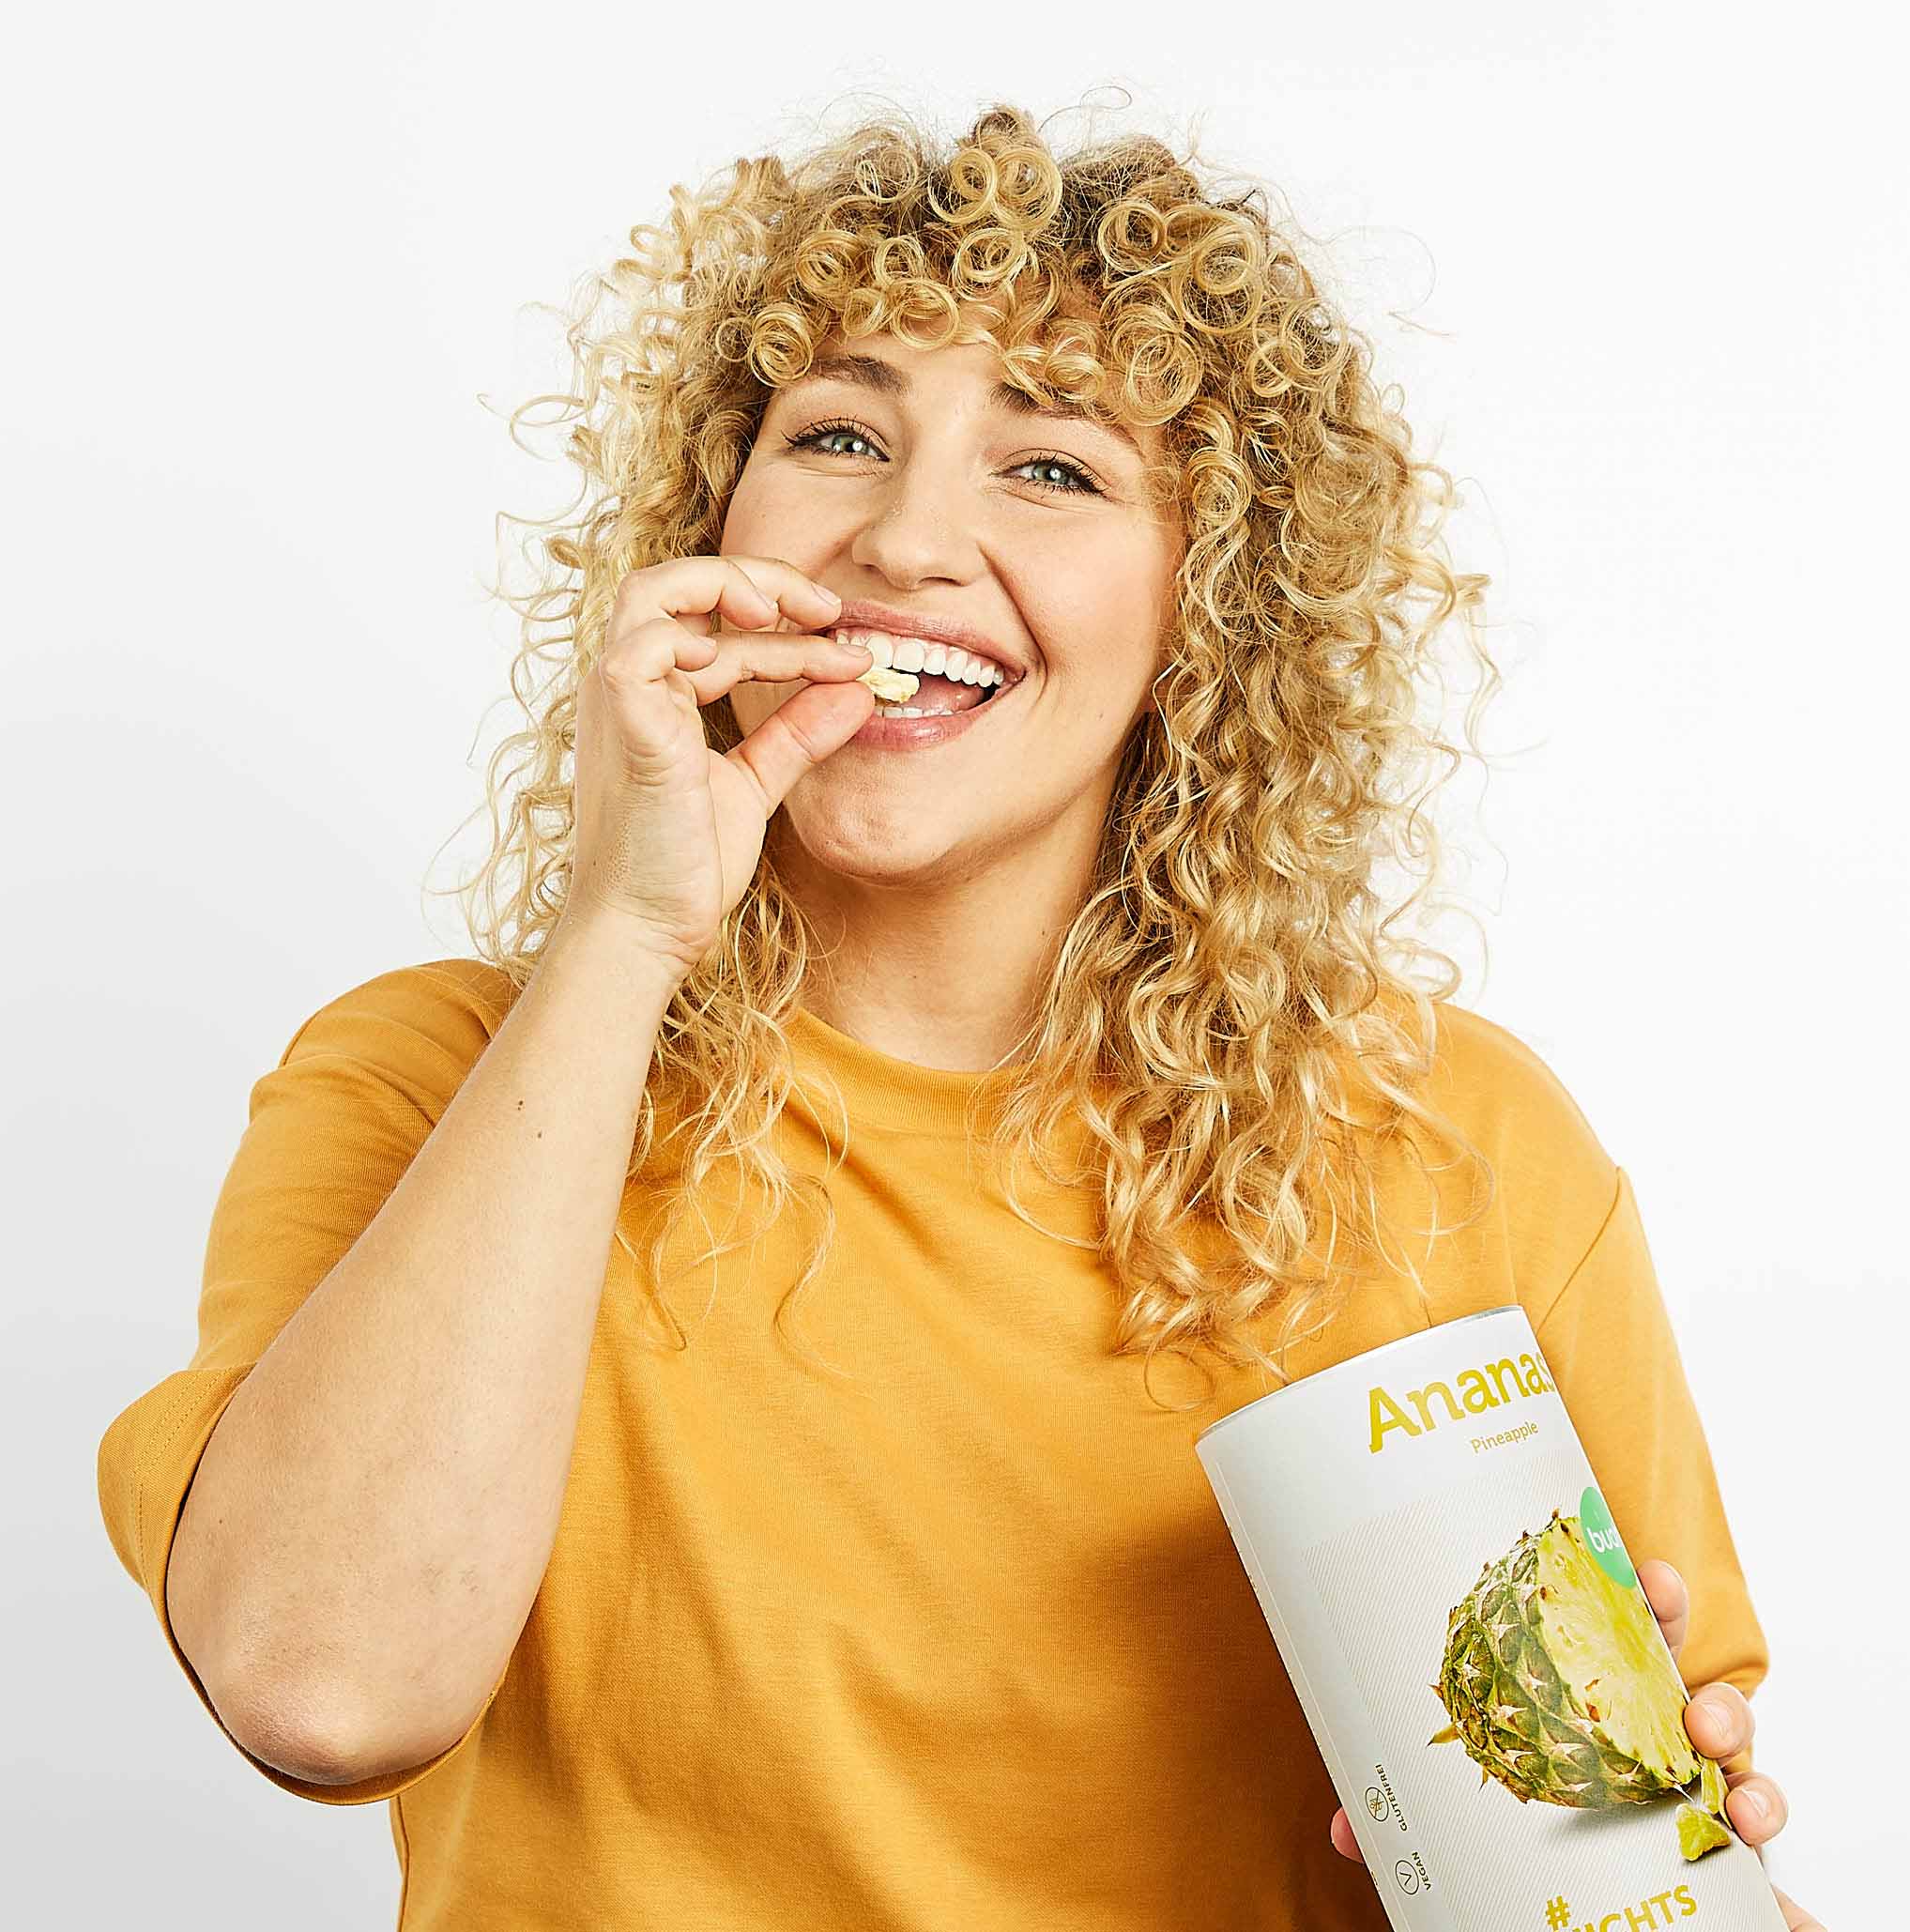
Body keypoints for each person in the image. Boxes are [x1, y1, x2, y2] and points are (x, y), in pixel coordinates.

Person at [97, 101, 1822, 1929]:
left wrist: (1609, 1861)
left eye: (1052, 468)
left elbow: (1664, 1896)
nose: (906, 541)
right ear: (716, 524)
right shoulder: (439, 1081)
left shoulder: (1445, 1146)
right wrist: (624, 932)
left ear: (1206, 608)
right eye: (837, 434)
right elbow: (323, 1689)